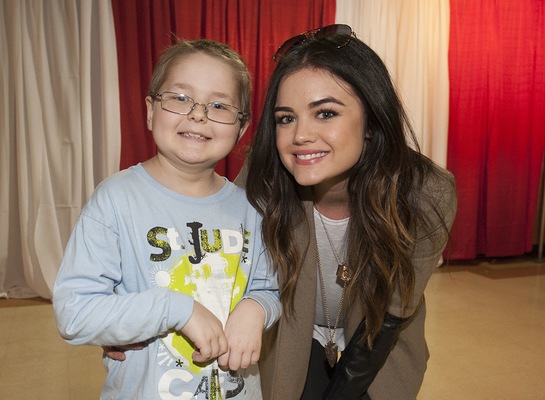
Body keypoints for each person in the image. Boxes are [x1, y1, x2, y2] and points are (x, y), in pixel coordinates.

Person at [236, 24, 457, 399]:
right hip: (291, 337)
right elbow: (210, 260)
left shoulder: (425, 193)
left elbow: (392, 315)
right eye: (285, 118)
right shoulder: (264, 181)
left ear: (371, 121)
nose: (300, 135)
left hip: (376, 345)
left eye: (325, 113)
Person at [53, 39, 281, 400]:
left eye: (219, 105)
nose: (198, 114)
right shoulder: (115, 200)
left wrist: (257, 308)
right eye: (179, 98)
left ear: (240, 128)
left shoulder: (251, 208)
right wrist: (176, 308)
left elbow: (269, 288)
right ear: (149, 110)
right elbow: (75, 312)